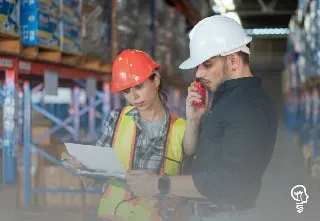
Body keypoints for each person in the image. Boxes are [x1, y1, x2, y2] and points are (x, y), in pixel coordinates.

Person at [125, 15, 278, 221]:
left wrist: (161, 184)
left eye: (207, 64)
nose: (198, 73)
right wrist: (195, 120)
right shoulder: (227, 98)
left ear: (233, 61)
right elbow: (204, 159)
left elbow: (235, 180)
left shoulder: (248, 105)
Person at [61, 49, 188, 221]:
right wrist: (82, 167)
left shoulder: (182, 129)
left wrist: (164, 199)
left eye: (139, 86)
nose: (134, 97)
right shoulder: (117, 119)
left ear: (156, 80)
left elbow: (191, 188)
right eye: (127, 91)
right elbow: (96, 177)